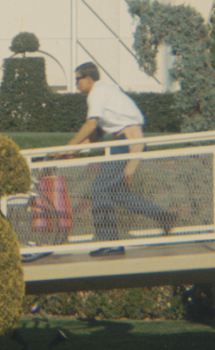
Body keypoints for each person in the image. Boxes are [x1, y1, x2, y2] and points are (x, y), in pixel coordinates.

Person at [68, 62, 175, 241]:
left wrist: (69, 146)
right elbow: (96, 134)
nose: (76, 83)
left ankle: (108, 240)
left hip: (127, 142)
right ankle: (164, 217)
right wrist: (71, 151)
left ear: (88, 79)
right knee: (118, 193)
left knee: (99, 188)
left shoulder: (97, 93)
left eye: (77, 79)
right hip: (127, 140)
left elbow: (91, 124)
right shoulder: (105, 93)